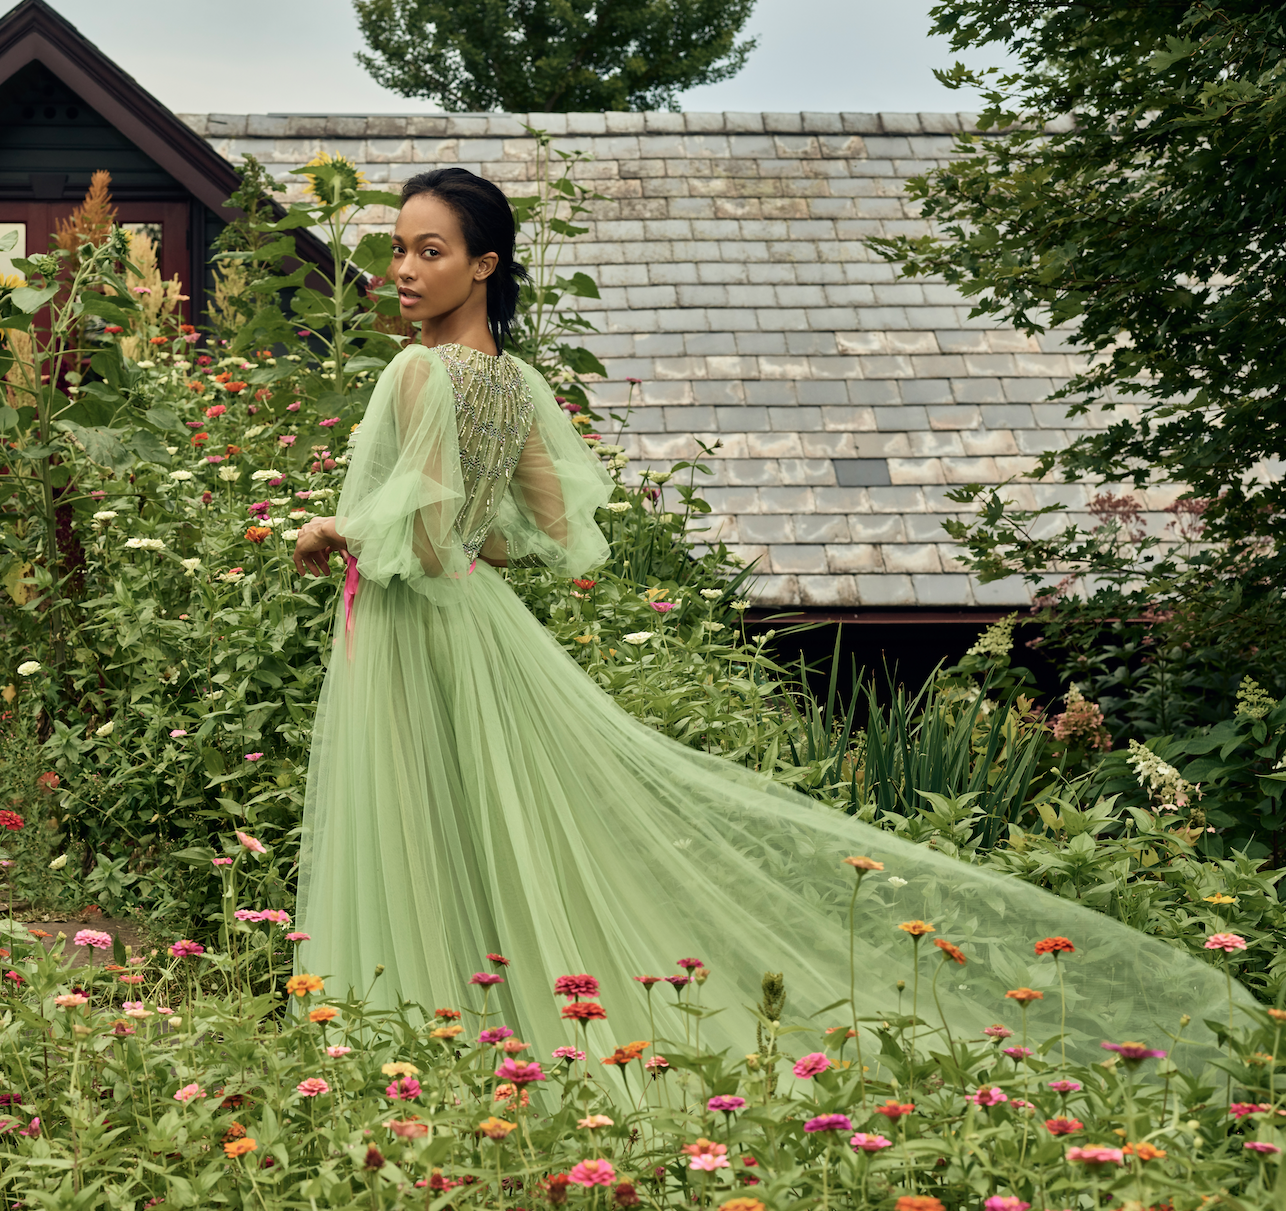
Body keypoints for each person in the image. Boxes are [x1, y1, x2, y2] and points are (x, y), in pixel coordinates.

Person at [287, 166, 1239, 1100]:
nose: (403, 270)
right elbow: (555, 527)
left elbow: (413, 532)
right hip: (483, 624)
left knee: (420, 823)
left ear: (484, 264)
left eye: (430, 251)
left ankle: (411, 1054)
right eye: (399, 250)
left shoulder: (418, 370)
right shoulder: (517, 380)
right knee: (502, 824)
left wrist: (336, 530)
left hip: (416, 628)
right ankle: (511, 1038)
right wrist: (467, 544)